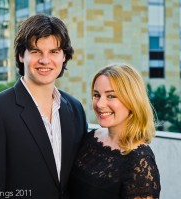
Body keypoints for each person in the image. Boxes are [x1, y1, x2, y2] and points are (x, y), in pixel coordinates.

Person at [0, 14, 87, 199]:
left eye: (54, 52)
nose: (45, 60)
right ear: (21, 56)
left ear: (64, 56)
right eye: (36, 51)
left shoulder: (75, 109)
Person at [69, 63, 161, 199]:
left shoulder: (140, 160)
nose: (100, 104)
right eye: (96, 95)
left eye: (111, 96)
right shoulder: (90, 138)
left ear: (132, 100)